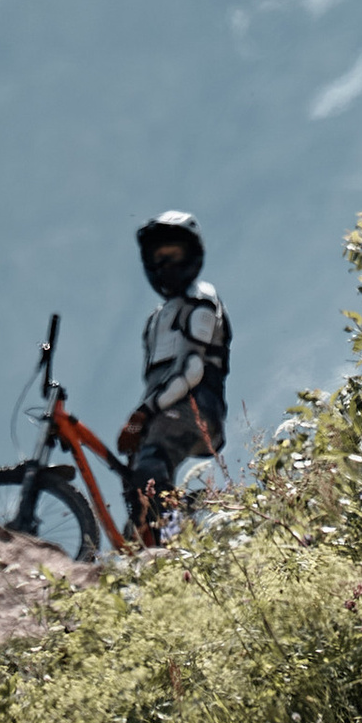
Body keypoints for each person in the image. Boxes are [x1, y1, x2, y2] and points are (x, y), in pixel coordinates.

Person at [114, 208, 231, 544]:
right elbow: (157, 381)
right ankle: (155, 542)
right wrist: (142, 421)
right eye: (159, 257)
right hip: (163, 412)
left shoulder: (201, 300)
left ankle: (173, 543)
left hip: (196, 407)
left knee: (150, 467)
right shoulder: (155, 320)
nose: (166, 265)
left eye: (174, 254)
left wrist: (143, 414)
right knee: (137, 487)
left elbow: (192, 370)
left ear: (192, 254)